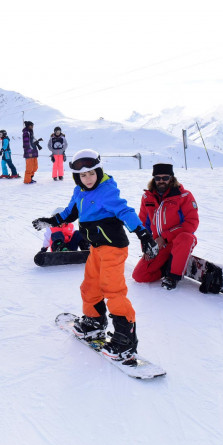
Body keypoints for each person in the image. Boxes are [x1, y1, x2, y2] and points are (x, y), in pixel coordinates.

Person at [32, 149, 156, 360]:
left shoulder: (106, 191)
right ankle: (94, 321)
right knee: (90, 286)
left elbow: (125, 212)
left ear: (99, 172)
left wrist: (143, 233)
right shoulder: (79, 192)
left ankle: (126, 339)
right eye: (83, 175)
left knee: (113, 290)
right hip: (96, 248)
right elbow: (69, 213)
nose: (87, 178)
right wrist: (50, 221)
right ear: (76, 176)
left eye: (91, 173)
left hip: (113, 248)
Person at [131, 163, 199, 290]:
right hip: (160, 244)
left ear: (172, 178)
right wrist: (147, 245)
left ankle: (173, 276)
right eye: (158, 178)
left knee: (185, 237)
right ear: (153, 179)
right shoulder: (147, 197)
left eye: (165, 177)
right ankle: (169, 266)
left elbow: (192, 223)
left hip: (179, 242)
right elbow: (142, 224)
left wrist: (165, 237)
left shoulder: (184, 196)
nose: (161, 181)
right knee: (139, 276)